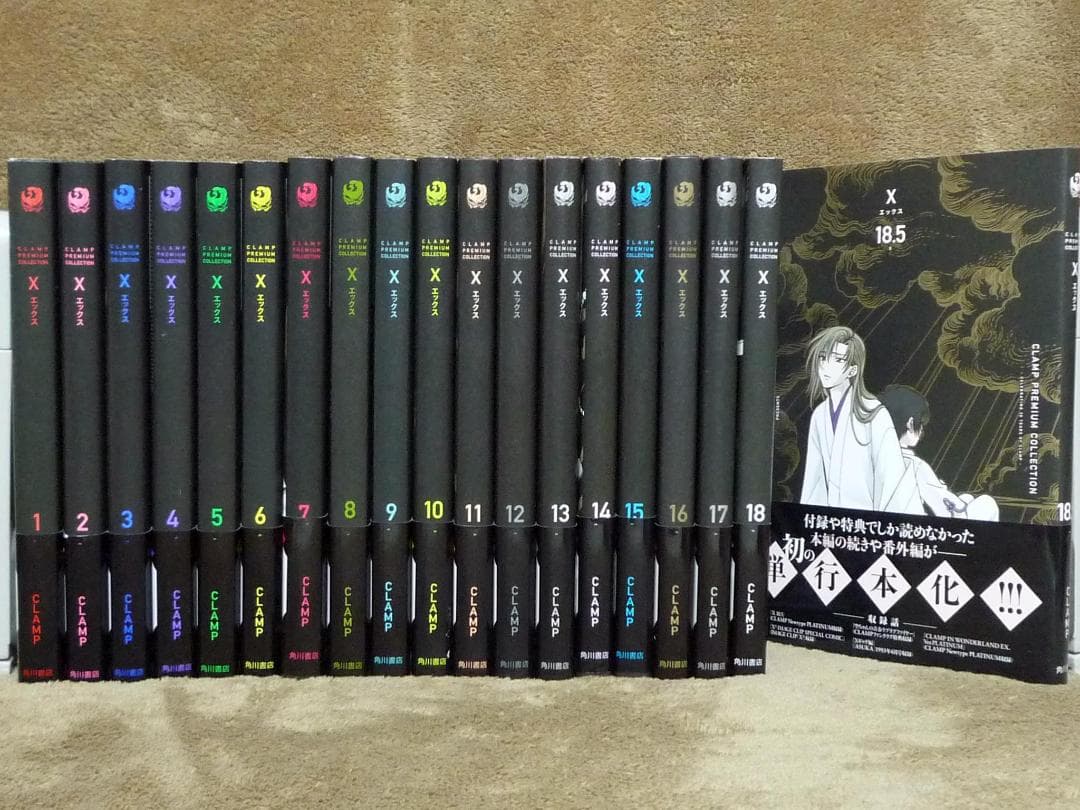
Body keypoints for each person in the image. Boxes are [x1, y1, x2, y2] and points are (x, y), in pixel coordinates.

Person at [800, 326, 908, 511]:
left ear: (852, 370)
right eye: (823, 357)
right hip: (830, 519)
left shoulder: (874, 413)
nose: (826, 366)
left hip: (868, 519)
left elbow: (892, 481)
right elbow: (814, 480)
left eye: (838, 360)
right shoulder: (819, 415)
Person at [879, 384, 1000, 522]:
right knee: (987, 503)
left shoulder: (874, 458)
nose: (921, 431)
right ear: (910, 424)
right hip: (916, 529)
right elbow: (950, 513)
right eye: (921, 424)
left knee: (966, 498)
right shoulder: (914, 465)